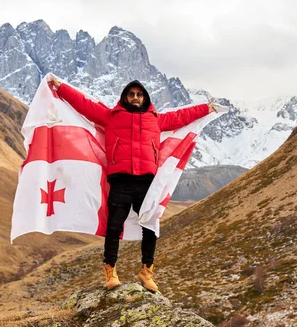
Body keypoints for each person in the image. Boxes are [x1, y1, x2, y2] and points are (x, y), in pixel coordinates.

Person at [48, 76, 216, 292]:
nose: (135, 98)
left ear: (144, 98)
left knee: (150, 225)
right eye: (131, 94)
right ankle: (110, 271)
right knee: (114, 226)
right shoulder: (111, 117)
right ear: (125, 97)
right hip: (121, 180)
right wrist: (61, 88)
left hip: (146, 182)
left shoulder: (156, 119)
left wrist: (205, 108)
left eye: (139, 94)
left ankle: (147, 271)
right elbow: (84, 104)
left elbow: (181, 116)